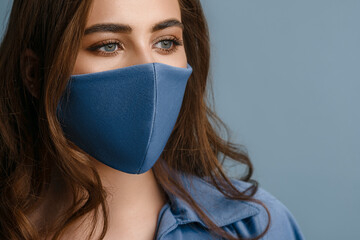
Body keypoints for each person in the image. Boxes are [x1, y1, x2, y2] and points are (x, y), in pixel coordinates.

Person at [0, 0, 305, 239]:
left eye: (166, 42)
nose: (151, 72)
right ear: (35, 74)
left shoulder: (257, 227)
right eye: (109, 45)